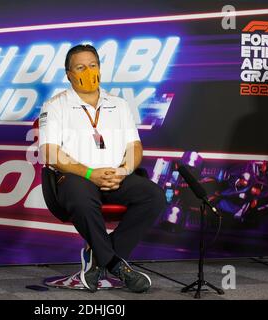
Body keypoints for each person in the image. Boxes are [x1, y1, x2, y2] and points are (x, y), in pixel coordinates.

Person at [38, 44, 166, 293]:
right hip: (77, 177)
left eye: (93, 65)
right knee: (80, 196)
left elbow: (135, 146)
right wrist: (89, 173)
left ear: (100, 68)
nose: (88, 71)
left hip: (115, 175)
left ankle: (97, 260)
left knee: (154, 197)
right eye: (80, 67)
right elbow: (49, 153)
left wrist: (123, 171)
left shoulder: (119, 104)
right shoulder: (55, 106)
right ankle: (117, 265)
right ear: (69, 74)